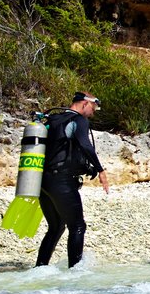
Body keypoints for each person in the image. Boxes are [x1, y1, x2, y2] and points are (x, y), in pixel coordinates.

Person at [36, 91, 109, 268]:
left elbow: (62, 150)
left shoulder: (54, 120)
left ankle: (40, 267)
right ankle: (75, 272)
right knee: (77, 226)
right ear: (84, 103)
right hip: (61, 181)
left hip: (42, 181)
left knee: (57, 226)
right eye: (93, 107)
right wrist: (101, 170)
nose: (93, 112)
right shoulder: (78, 120)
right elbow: (85, 145)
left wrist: (86, 168)